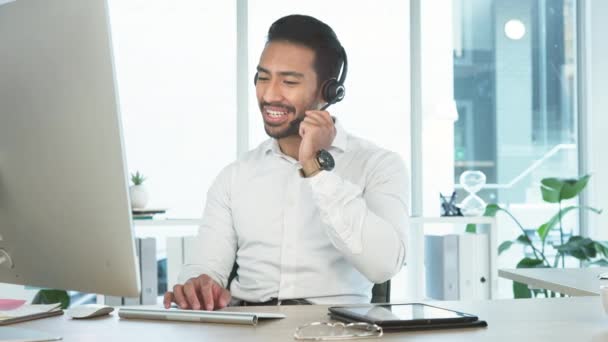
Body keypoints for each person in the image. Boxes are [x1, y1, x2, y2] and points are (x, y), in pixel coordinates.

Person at [164, 14, 409, 311]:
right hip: (246, 326)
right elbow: (206, 267)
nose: (268, 94)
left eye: (289, 81)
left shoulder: (378, 165)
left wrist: (315, 167)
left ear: (329, 92)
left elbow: (384, 265)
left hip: (335, 328)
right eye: (263, 77)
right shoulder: (235, 176)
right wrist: (197, 285)